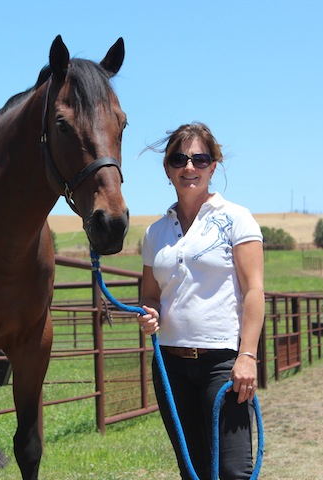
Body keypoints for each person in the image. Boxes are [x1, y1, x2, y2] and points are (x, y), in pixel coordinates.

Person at [137, 122, 264, 480]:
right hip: (170, 366)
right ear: (167, 168)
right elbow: (150, 294)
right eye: (179, 159)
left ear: (213, 166)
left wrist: (248, 356)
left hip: (223, 362)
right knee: (192, 470)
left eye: (199, 158)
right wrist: (149, 313)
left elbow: (254, 291)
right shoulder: (155, 232)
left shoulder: (236, 219)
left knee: (232, 471)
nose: (188, 167)